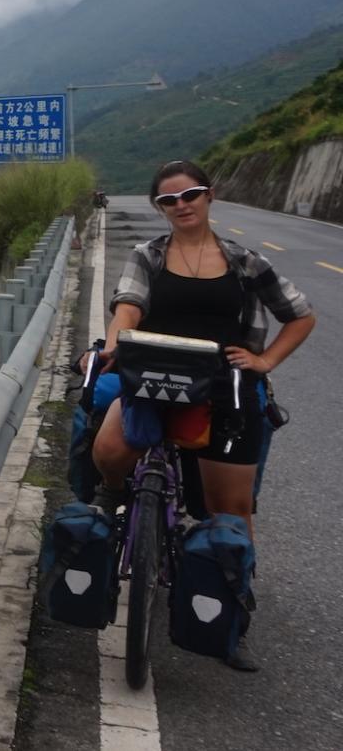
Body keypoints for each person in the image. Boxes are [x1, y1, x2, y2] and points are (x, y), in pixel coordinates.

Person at [91, 159, 316, 671]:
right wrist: (112, 346)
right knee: (108, 447)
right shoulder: (148, 256)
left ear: (209, 195)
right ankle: (116, 499)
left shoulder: (245, 262)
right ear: (159, 208)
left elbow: (300, 315)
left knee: (229, 510)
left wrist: (264, 360)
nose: (181, 205)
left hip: (223, 388)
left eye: (189, 194)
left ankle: (232, 620)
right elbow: (127, 306)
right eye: (168, 200)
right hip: (155, 378)